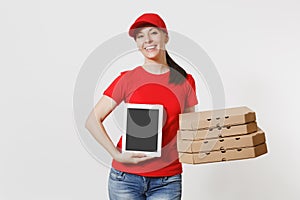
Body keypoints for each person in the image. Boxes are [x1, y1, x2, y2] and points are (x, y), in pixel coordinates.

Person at [85, 13, 198, 200]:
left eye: (153, 33)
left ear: (166, 37)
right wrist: (117, 155)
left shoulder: (185, 81)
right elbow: (92, 121)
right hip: (125, 179)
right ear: (137, 43)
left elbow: (189, 129)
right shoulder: (127, 79)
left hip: (167, 179)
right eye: (140, 36)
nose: (147, 40)